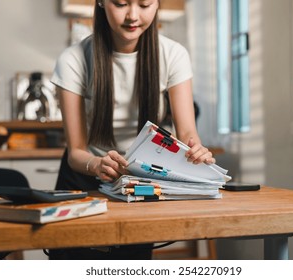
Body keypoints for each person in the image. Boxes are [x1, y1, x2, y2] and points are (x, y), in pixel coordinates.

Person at [49, 0, 216, 260]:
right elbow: (76, 152)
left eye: (145, 4)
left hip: (141, 178)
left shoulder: (173, 54)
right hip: (84, 177)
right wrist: (97, 164)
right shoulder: (73, 59)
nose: (133, 16)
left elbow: (188, 135)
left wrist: (196, 151)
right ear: (102, 2)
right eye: (121, 3)